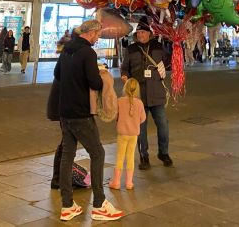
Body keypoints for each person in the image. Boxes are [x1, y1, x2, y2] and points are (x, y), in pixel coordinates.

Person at [54, 18, 123, 222]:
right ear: (91, 33)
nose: (98, 39)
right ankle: (100, 204)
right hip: (81, 113)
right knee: (98, 153)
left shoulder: (67, 49)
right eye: (98, 35)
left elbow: (58, 73)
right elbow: (94, 81)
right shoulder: (88, 53)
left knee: (68, 154)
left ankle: (67, 205)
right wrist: (101, 72)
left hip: (64, 111)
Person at [120, 18, 172, 170]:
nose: (140, 35)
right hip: (138, 96)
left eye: (143, 32)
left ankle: (163, 152)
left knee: (163, 126)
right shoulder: (131, 49)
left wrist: (175, 48)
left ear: (149, 33)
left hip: (157, 93)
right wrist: (124, 77)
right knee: (140, 129)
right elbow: (124, 68)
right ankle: (144, 156)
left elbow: (168, 62)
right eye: (139, 32)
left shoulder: (158, 47)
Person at [109, 78, 146, 191]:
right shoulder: (139, 103)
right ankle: (129, 182)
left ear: (125, 88)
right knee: (130, 157)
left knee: (120, 157)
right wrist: (135, 123)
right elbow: (143, 118)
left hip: (122, 134)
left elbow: (115, 116)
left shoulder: (120, 101)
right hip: (133, 135)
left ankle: (116, 182)